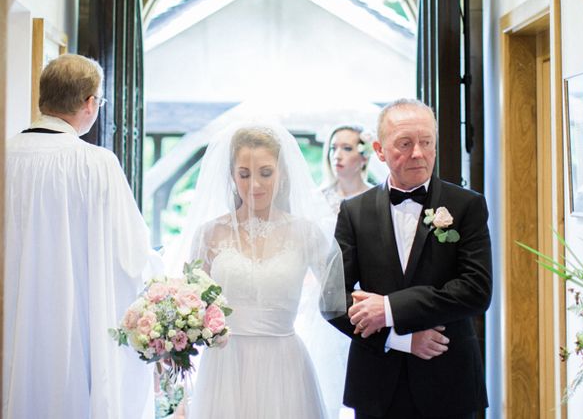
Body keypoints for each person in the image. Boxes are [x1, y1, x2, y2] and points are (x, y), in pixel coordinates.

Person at [4, 53, 157, 418]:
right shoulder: (97, 164)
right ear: (90, 103)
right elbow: (130, 254)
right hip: (76, 325)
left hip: (10, 316)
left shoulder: (4, 156)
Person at [168, 122, 347, 419]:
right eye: (244, 174)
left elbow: (339, 300)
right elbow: (191, 307)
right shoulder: (209, 235)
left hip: (285, 365)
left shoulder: (307, 234)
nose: (255, 185)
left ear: (282, 174)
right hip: (225, 368)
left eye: (265, 173)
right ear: (232, 176)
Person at [331, 98, 492, 419]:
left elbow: (476, 290)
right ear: (379, 150)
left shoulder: (467, 205)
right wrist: (397, 337)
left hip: (449, 379)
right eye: (404, 144)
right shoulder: (354, 212)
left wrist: (390, 309)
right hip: (377, 381)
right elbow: (333, 298)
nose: (418, 153)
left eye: (426, 142)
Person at [321, 124, 374, 213]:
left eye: (347, 148)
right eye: (333, 148)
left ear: (364, 157)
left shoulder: (377, 198)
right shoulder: (318, 198)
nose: (337, 156)